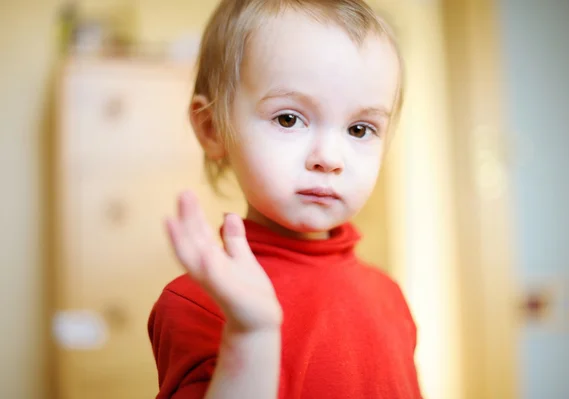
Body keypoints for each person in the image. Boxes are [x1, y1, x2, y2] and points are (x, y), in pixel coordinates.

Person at [148, 0, 422, 398]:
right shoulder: (199, 304)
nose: (328, 158)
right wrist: (250, 335)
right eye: (289, 119)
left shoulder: (389, 295)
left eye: (360, 129)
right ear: (212, 129)